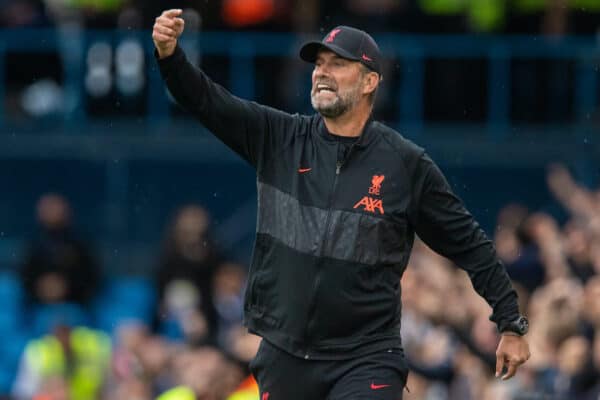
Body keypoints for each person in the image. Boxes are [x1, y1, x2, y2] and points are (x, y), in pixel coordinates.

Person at [152, 11, 530, 399]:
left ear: (370, 82)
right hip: (286, 354)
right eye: (319, 64)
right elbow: (206, 101)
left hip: (365, 358)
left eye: (338, 64)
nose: (322, 72)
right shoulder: (279, 137)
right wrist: (169, 55)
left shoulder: (405, 164)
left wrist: (510, 324)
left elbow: (469, 244)